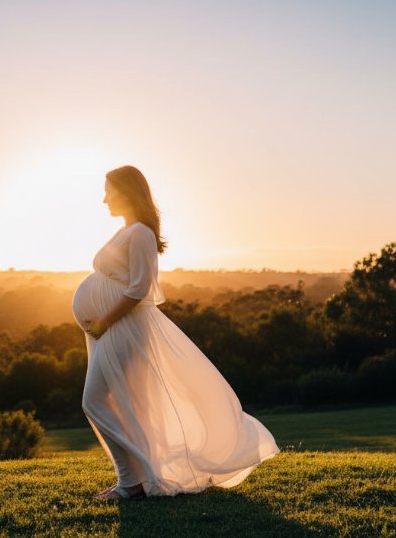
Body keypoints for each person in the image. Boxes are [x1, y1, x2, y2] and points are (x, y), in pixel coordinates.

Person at [72, 165, 281, 500]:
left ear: (128, 191)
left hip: (123, 327)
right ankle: (134, 480)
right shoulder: (126, 231)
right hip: (111, 329)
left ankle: (131, 483)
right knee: (126, 403)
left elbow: (140, 288)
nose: (104, 198)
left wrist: (104, 321)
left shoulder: (140, 232)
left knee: (94, 400)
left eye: (108, 190)